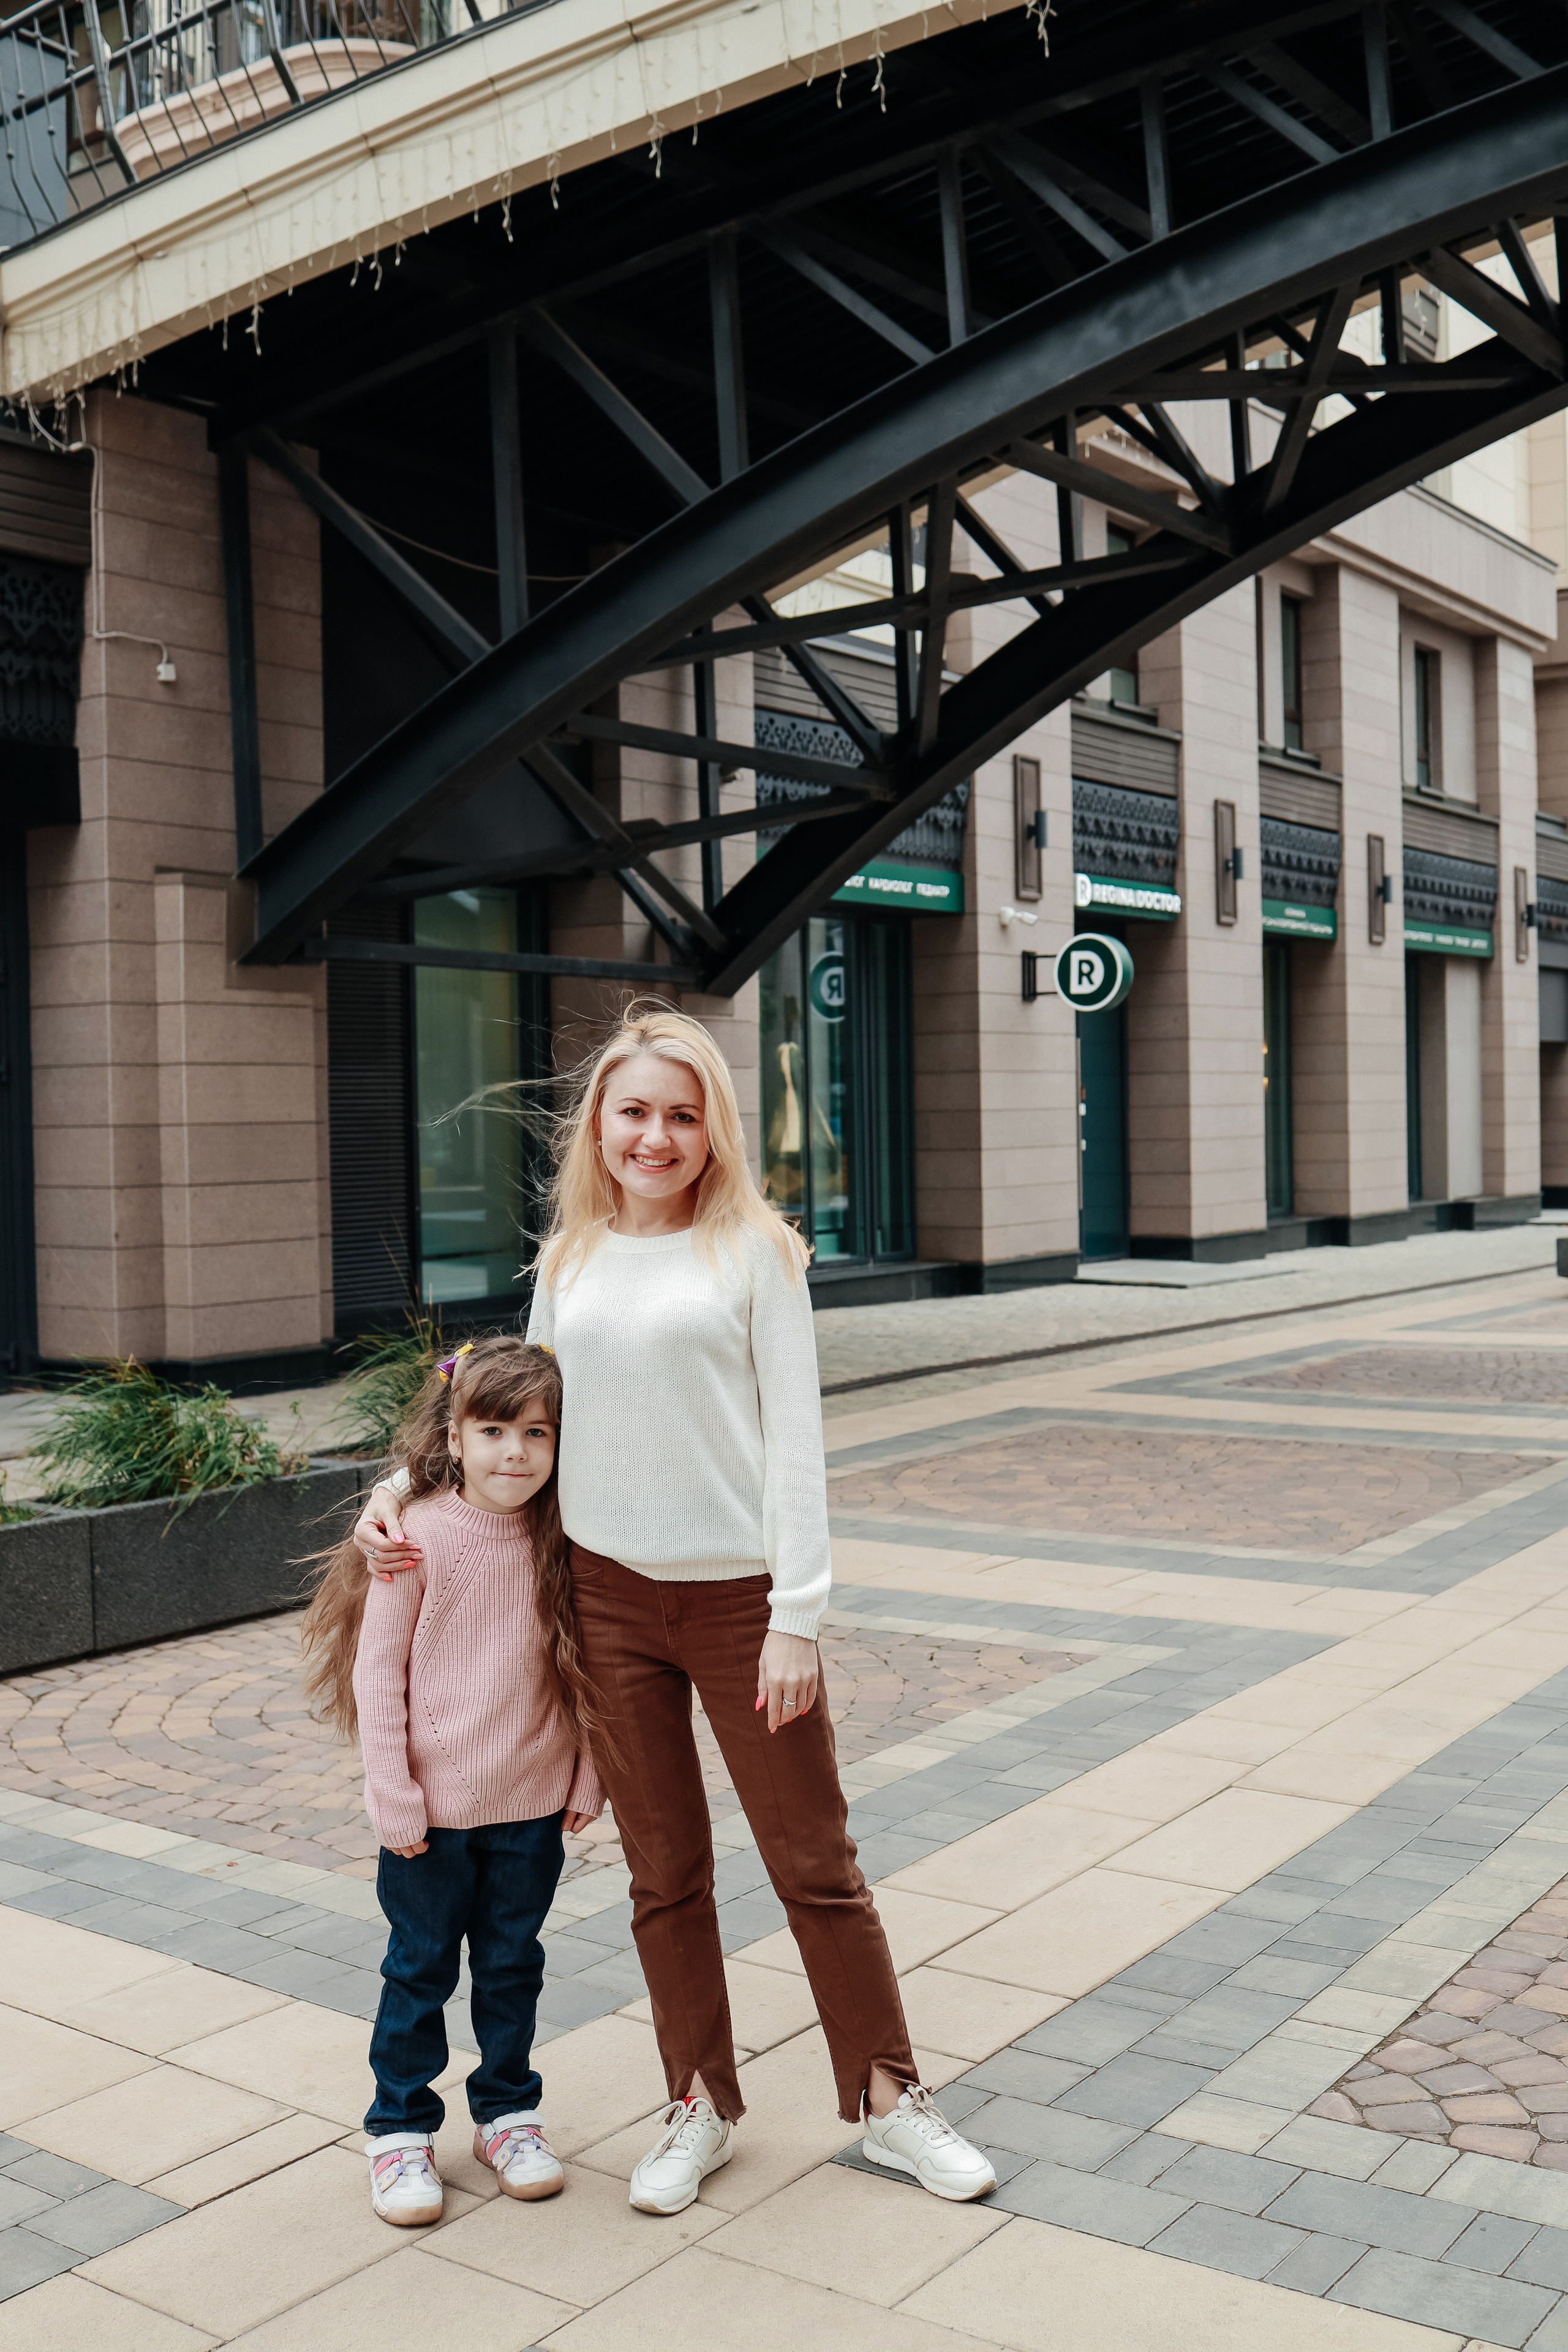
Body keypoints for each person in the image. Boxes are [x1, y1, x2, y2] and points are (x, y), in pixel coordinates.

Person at [354, 1007, 996, 2213]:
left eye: (681, 1115)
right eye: (633, 1111)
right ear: (598, 1123)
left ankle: (888, 2103)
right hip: (603, 1600)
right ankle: (697, 2104)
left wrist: (795, 1613)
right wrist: (403, 1481)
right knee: (664, 1874)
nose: (655, 1136)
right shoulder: (569, 1260)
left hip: (740, 1604)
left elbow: (796, 1443)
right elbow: (497, 1407)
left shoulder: (754, 1251)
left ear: (714, 1131)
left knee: (814, 1863)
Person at [303, 1336, 602, 2228]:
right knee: (420, 1969)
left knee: (513, 1967)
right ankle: (398, 2129)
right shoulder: (416, 1538)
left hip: (534, 1805)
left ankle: (508, 2114)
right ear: (457, 1433)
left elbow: (595, 1671)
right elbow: (378, 1673)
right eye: (496, 1429)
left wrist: (589, 1773)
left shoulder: (570, 1537)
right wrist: (392, 1793)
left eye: (538, 1433)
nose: (517, 1453)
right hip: (430, 1814)